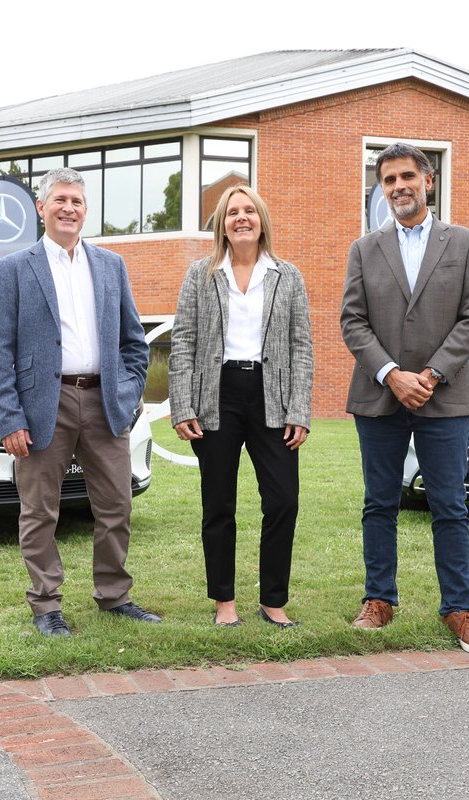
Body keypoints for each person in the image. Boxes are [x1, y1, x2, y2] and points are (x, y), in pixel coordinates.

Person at [0, 167, 159, 637]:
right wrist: (10, 417)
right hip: (44, 406)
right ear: (41, 208)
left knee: (116, 506)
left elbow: (133, 341)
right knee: (40, 510)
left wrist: (127, 392)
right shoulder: (13, 270)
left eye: (77, 201)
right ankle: (46, 606)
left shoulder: (110, 265)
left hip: (104, 401)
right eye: (60, 199)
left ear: (86, 210)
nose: (69, 208)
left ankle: (114, 596)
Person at [339, 142, 469, 655]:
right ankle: (379, 599)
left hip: (443, 395)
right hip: (379, 395)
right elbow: (353, 321)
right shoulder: (364, 249)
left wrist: (429, 374)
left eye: (407, 176)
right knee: (379, 503)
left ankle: (459, 608)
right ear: (380, 188)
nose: (398, 186)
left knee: (449, 505)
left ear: (428, 180)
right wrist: (391, 374)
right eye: (388, 180)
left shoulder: (465, 243)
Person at [168, 185, 313, 629]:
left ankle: (273, 600)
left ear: (262, 219)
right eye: (233, 212)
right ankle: (224, 602)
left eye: (250, 210)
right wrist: (182, 405)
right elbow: (184, 341)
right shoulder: (201, 274)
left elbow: (301, 346)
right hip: (217, 394)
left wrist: (299, 409)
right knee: (218, 504)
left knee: (283, 500)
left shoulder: (287, 276)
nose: (242, 218)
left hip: (273, 396)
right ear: (222, 224)